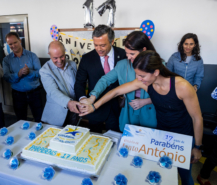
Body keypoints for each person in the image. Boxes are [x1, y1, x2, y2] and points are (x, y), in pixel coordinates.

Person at [80, 51, 203, 185]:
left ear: (156, 72)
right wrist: (94, 106)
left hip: (183, 136)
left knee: (184, 175)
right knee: (161, 171)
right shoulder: (145, 83)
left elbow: (197, 118)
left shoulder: (183, 86)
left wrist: (197, 146)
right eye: (137, 74)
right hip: (162, 133)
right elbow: (116, 91)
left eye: (142, 75)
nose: (138, 78)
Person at [81, 31, 157, 132]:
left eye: (132, 54)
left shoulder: (158, 66)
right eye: (126, 53)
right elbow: (105, 80)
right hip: (129, 112)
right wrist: (92, 97)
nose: (128, 57)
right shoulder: (122, 65)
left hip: (150, 112)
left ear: (143, 50)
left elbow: (166, 95)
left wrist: (145, 101)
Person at [75, 24, 126, 133]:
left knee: (115, 138)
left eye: (102, 45)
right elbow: (80, 82)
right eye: (95, 45)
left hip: (117, 108)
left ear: (112, 42)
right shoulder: (86, 58)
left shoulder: (124, 55)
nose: (98, 49)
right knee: (94, 140)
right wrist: (83, 99)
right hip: (94, 107)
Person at [3, 32, 43, 122]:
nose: (13, 45)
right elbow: (6, 77)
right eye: (10, 44)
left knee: (39, 119)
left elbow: (40, 73)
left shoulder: (32, 56)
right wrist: (18, 74)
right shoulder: (6, 60)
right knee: (21, 121)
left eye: (15, 42)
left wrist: (29, 72)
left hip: (35, 93)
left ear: (20, 40)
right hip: (18, 95)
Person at [39, 41, 81, 126]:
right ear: (49, 55)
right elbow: (53, 92)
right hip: (57, 114)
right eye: (55, 58)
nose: (59, 61)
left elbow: (78, 85)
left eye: (62, 56)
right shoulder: (44, 71)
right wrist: (69, 103)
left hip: (74, 111)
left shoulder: (72, 64)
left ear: (65, 51)